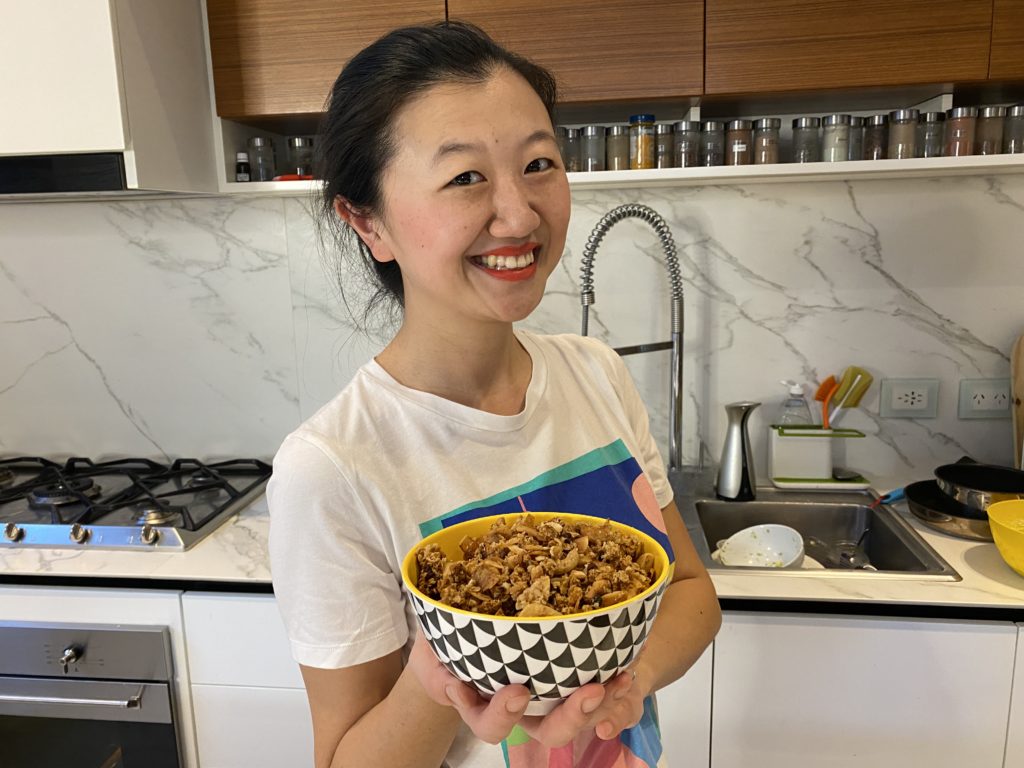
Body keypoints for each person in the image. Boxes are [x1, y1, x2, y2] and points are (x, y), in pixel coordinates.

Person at [267, 20, 721, 768]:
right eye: (465, 177)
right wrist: (440, 672)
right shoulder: (332, 467)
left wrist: (629, 685)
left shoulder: (595, 374)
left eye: (538, 164)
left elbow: (691, 591)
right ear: (368, 221)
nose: (519, 214)